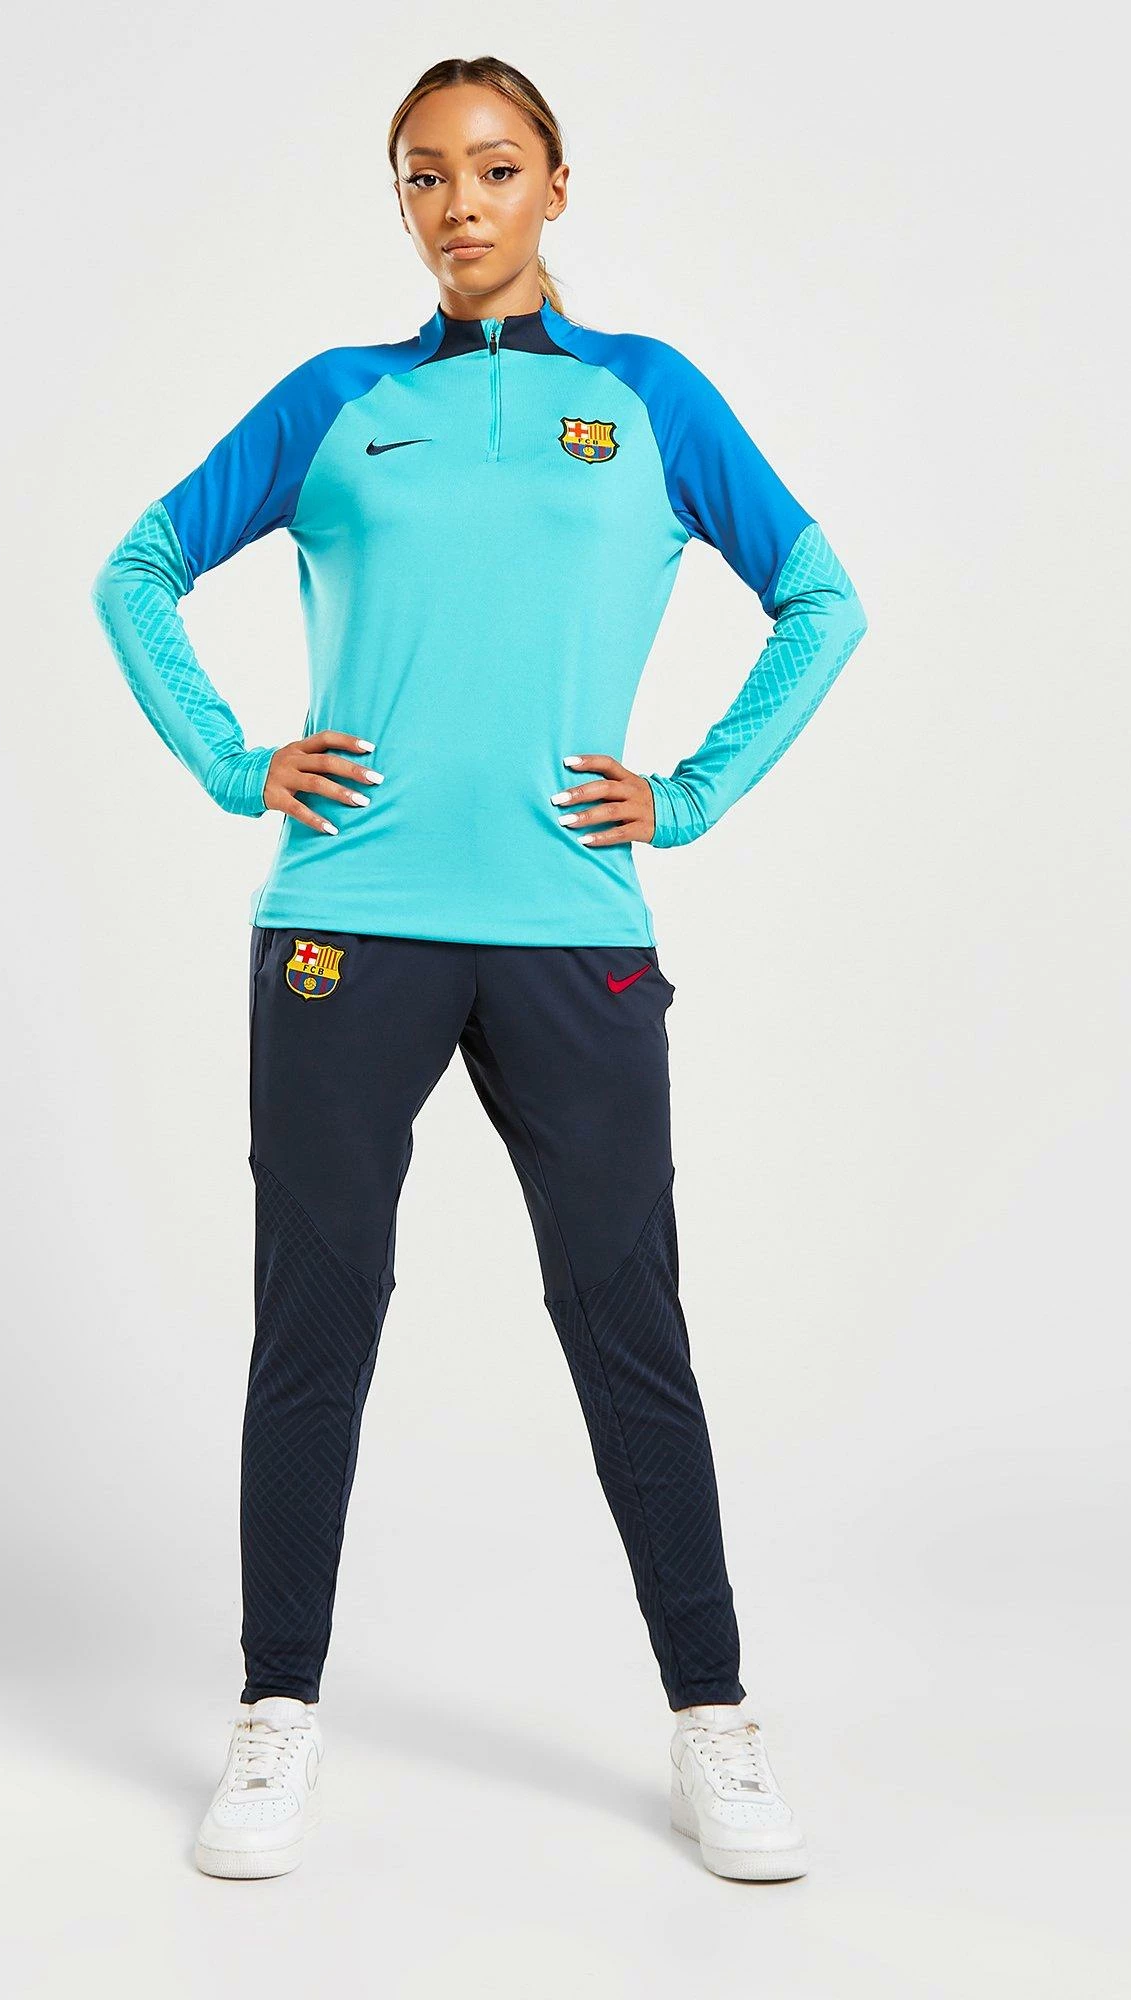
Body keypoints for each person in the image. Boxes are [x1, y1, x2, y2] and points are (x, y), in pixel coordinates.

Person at [91, 55, 867, 1883]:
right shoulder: (337, 403)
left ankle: (712, 1720)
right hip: (342, 925)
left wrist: (689, 794)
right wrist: (233, 763)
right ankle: (275, 1714)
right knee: (318, 1317)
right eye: (425, 174)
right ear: (400, 200)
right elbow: (139, 568)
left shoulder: (647, 398)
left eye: (496, 169)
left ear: (555, 188)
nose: (460, 204)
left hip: (572, 932)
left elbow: (821, 598)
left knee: (624, 1317)